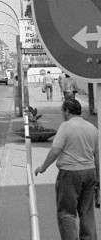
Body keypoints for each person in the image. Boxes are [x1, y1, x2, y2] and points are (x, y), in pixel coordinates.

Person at [35, 99, 99, 240]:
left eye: (62, 111)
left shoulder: (66, 126)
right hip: (90, 172)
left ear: (67, 111)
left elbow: (55, 150)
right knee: (87, 212)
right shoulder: (92, 128)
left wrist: (43, 167)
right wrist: (98, 178)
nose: (62, 114)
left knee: (67, 213)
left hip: (70, 174)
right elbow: (97, 155)